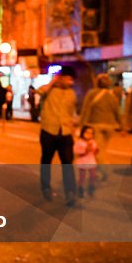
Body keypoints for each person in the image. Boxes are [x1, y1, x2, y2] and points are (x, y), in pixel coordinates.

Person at [38, 66, 78, 205]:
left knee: (67, 163)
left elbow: (72, 111)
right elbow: (40, 91)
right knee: (46, 161)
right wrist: (52, 81)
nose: (70, 82)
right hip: (49, 130)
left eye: (72, 79)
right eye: (68, 78)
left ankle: (70, 192)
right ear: (61, 77)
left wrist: (75, 126)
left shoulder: (72, 93)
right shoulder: (49, 90)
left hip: (65, 132)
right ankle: (45, 187)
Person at [79, 74, 122, 174]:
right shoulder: (112, 95)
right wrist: (122, 126)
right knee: (101, 149)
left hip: (95, 125)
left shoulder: (92, 93)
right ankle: (99, 172)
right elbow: (117, 112)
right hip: (110, 127)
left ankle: (105, 171)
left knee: (97, 151)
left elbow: (85, 109)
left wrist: (82, 125)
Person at [73, 126, 99, 198]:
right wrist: (86, 150)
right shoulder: (79, 142)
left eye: (91, 133)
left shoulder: (93, 141)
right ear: (83, 133)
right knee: (82, 177)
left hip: (91, 161)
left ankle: (91, 188)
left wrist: (96, 150)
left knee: (93, 176)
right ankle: (80, 189)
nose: (89, 134)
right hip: (83, 162)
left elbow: (95, 152)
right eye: (87, 132)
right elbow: (78, 153)